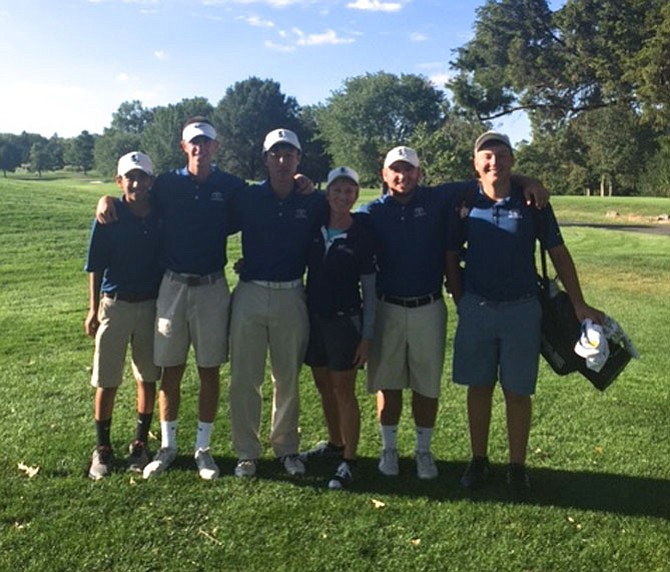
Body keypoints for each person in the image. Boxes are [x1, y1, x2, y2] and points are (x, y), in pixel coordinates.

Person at [363, 145, 549, 481]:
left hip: (429, 305)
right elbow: (337, 211)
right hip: (387, 305)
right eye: (396, 170)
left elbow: (492, 174)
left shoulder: (438, 198)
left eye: (410, 170)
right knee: (388, 384)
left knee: (426, 384)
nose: (403, 176)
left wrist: (528, 179)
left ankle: (423, 451)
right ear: (384, 174)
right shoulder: (372, 211)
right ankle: (389, 448)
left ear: (420, 174)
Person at [445, 131, 605, 499]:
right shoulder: (464, 200)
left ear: (512, 161)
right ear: (475, 163)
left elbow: (558, 252)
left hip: (522, 309)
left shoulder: (533, 201)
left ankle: (517, 466)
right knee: (479, 388)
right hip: (478, 308)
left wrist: (579, 303)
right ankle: (479, 459)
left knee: (518, 391)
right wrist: (460, 299)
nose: (493, 162)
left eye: (501, 155)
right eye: (486, 156)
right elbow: (451, 254)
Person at [97, 117, 245, 480]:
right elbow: (133, 195)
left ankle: (203, 449)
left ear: (215, 147)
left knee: (209, 369)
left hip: (212, 287)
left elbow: (262, 206)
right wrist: (104, 199)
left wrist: (303, 182)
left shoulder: (231, 186)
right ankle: (167, 446)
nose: (200, 147)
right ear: (184, 147)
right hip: (172, 287)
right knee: (170, 370)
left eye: (206, 142)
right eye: (193, 142)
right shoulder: (166, 184)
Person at [228, 128, 327, 478]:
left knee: (286, 377)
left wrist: (311, 186)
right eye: (275, 155)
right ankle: (246, 452)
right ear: (266, 158)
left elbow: (342, 211)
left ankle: (286, 448)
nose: (282, 161)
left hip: (291, 293)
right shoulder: (248, 197)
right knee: (244, 376)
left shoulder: (312, 201)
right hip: (251, 291)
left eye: (289, 155)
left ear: (298, 158)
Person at [84, 151, 162, 480]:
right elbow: (95, 266)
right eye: (129, 177)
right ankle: (102, 448)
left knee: (147, 377)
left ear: (150, 181)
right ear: (119, 182)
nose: (135, 182)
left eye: (142, 176)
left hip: (150, 305)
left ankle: (140, 444)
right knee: (107, 379)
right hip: (114, 305)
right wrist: (92, 309)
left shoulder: (161, 213)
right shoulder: (109, 215)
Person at [301, 166, 377, 490]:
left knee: (343, 390)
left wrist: (368, 336)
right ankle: (334, 443)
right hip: (314, 318)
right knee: (322, 383)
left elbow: (370, 290)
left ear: (356, 195)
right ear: (328, 193)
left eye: (349, 191)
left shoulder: (362, 232)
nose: (342, 196)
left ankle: (350, 459)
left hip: (345, 321)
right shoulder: (316, 225)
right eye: (337, 190)